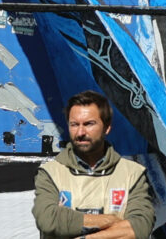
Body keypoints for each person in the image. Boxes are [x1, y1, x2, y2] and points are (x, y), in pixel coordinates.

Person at [33, 92, 151, 239]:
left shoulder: (132, 174)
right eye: (74, 124)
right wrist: (111, 221)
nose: (80, 132)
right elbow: (48, 219)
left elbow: (140, 227)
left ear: (107, 127)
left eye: (89, 124)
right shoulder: (50, 172)